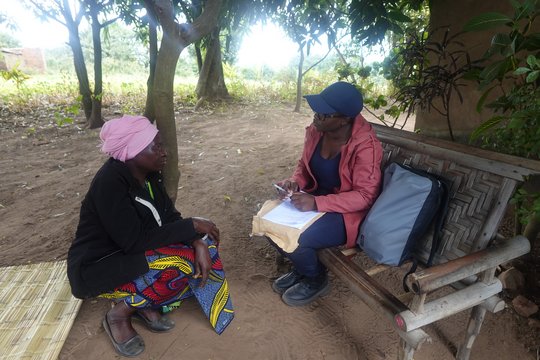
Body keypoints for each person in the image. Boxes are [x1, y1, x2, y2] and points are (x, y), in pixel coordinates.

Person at [67, 115, 234, 357]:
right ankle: (119, 314)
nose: (164, 152)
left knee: (204, 250)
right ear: (133, 151)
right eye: (156, 147)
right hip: (98, 266)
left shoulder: (149, 176)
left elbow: (169, 218)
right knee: (181, 262)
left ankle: (143, 302)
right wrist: (192, 225)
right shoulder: (109, 183)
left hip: (131, 256)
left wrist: (195, 239)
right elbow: (133, 241)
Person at [272, 81, 383, 306]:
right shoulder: (316, 131)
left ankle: (316, 279)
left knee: (297, 238)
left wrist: (316, 203)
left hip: (347, 214)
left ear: (344, 119)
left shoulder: (366, 147)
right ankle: (303, 268)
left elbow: (365, 196)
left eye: (324, 113)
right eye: (317, 110)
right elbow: (303, 165)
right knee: (268, 222)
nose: (316, 116)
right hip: (315, 199)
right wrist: (295, 182)